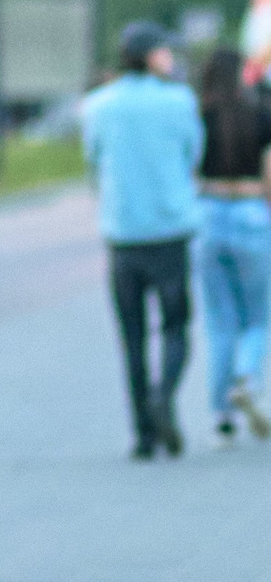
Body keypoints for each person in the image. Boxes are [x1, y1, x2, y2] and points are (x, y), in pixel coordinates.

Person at [83, 23, 204, 459]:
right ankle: (164, 393)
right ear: (152, 57)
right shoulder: (179, 101)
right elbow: (194, 153)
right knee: (175, 326)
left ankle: (143, 433)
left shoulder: (98, 106)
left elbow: (93, 161)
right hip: (170, 230)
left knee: (131, 336)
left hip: (123, 234)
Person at [195, 47, 271, 441]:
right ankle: (245, 377)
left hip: (208, 213)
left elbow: (189, 168)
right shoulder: (260, 114)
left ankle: (221, 413)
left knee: (220, 321)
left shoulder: (200, 114)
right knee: (257, 317)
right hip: (250, 211)